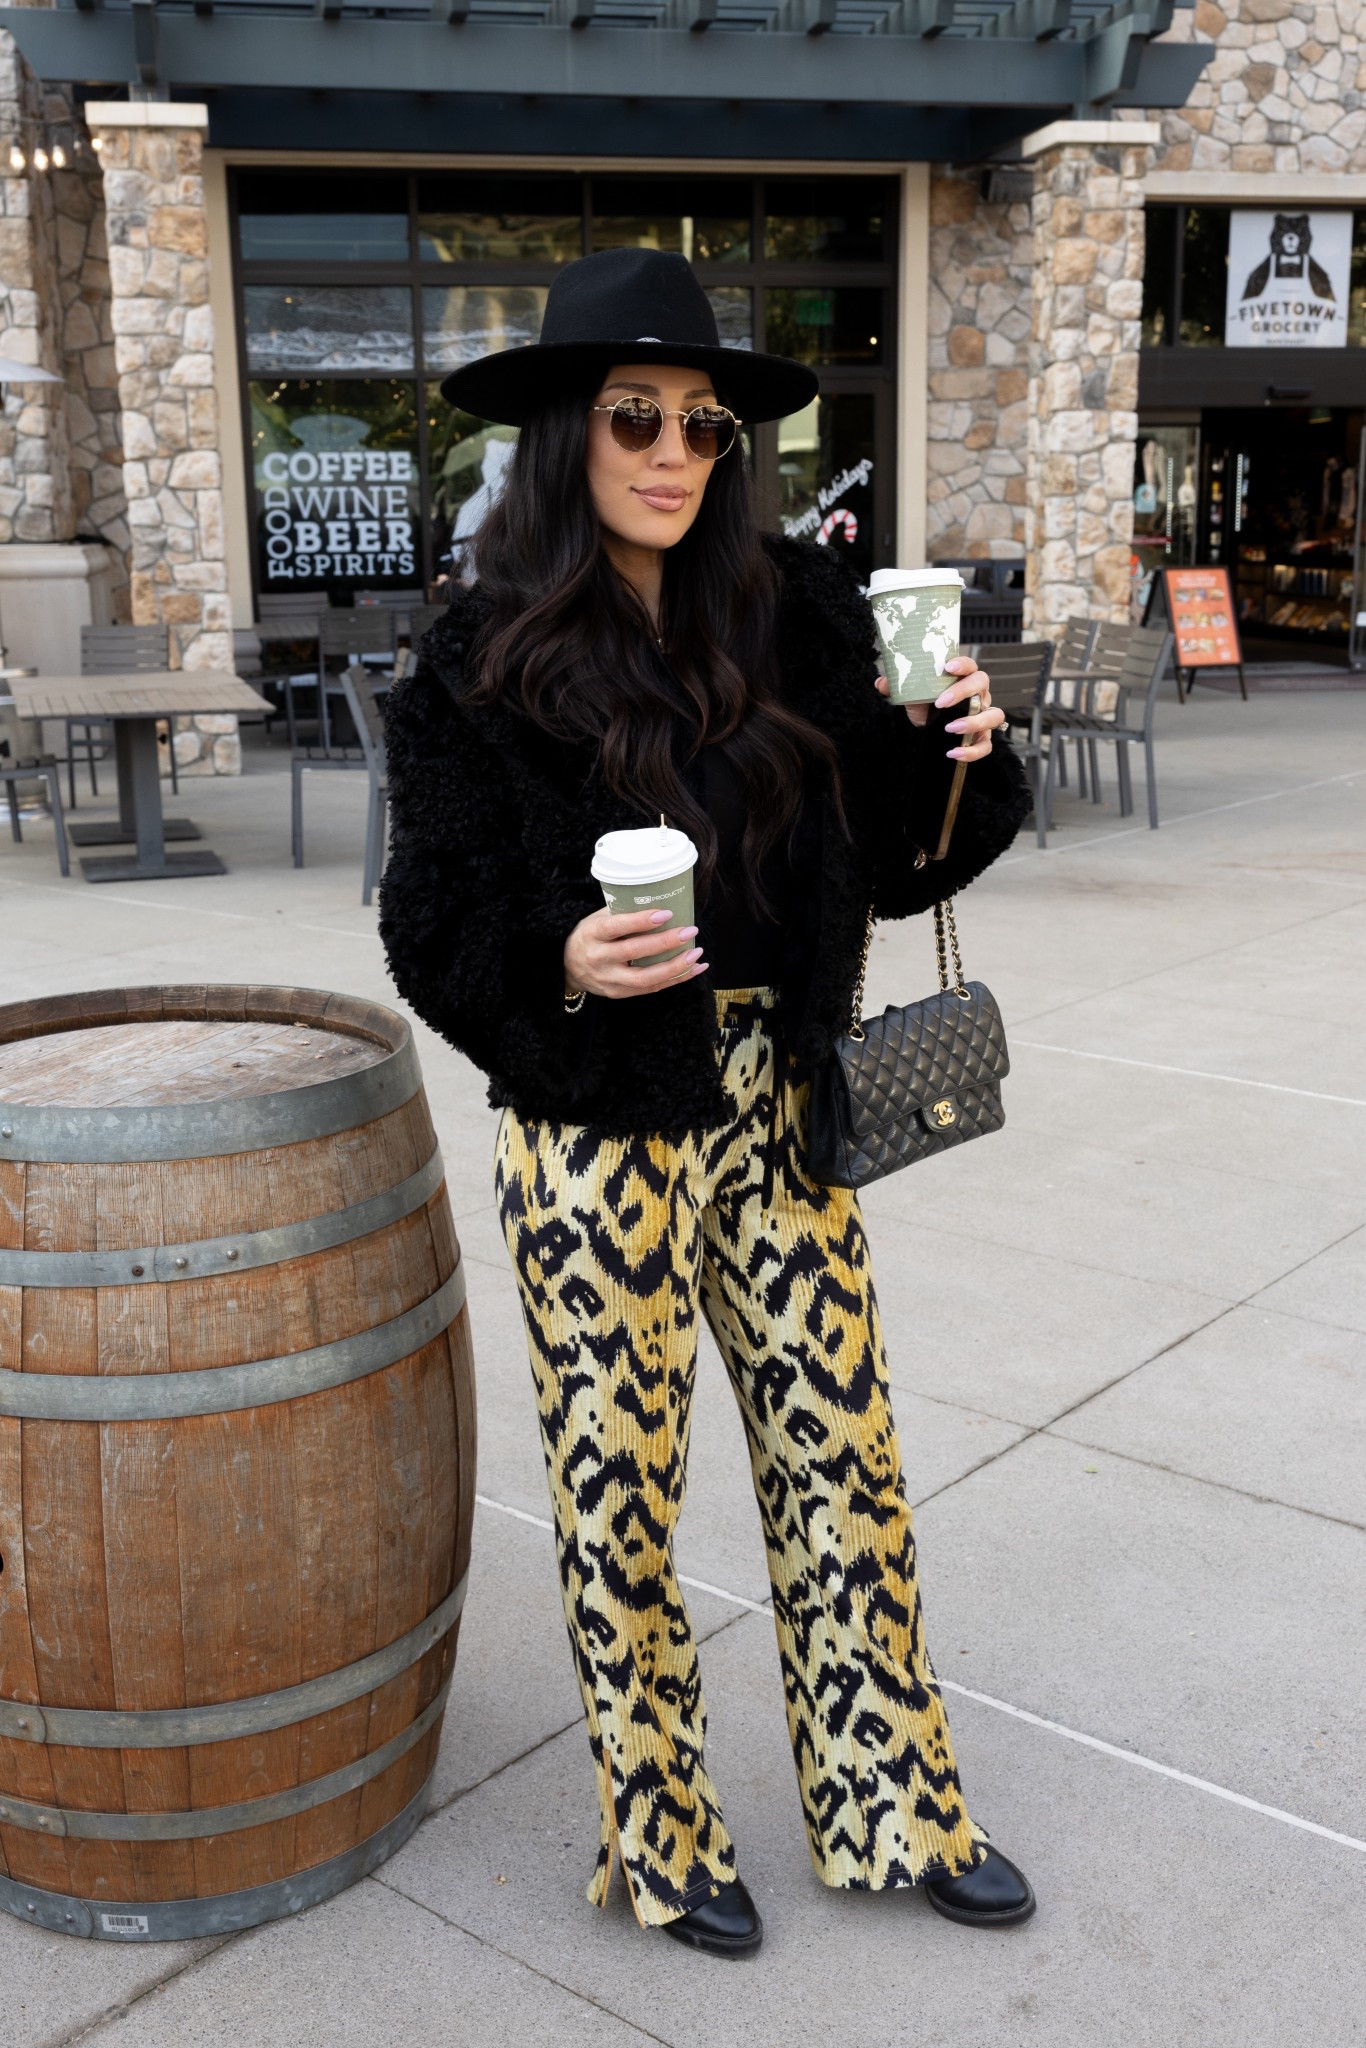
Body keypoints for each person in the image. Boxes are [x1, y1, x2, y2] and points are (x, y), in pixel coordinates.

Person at [380, 246, 1035, 1959]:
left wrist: (956, 750)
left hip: (777, 1088)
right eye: (633, 419)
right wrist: (561, 969)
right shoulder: (474, 659)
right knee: (620, 1484)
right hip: (599, 1113)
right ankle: (663, 1836)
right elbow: (429, 917)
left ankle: (891, 1799)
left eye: (702, 422)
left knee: (842, 1455)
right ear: (562, 436)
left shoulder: (798, 616)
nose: (673, 451)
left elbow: (899, 868)